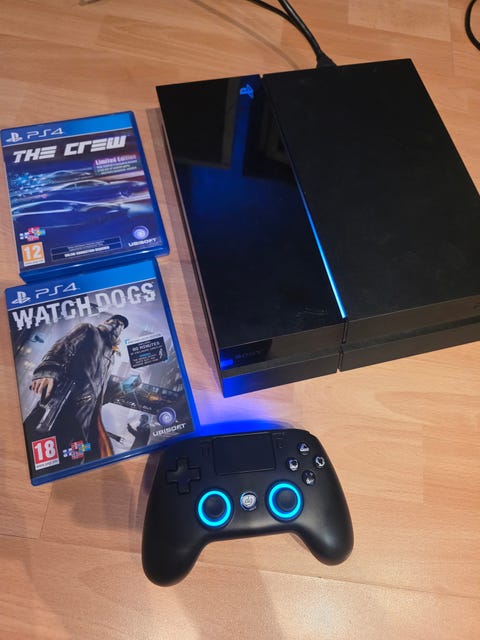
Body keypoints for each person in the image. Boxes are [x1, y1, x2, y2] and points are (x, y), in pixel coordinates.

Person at [27, 314, 129, 462]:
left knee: (73, 459)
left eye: (121, 325)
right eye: (114, 321)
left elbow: (98, 393)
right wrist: (48, 370)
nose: (116, 325)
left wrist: (121, 389)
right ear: (106, 321)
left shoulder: (111, 358)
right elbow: (64, 345)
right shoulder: (89, 330)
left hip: (84, 423)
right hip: (62, 406)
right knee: (38, 449)